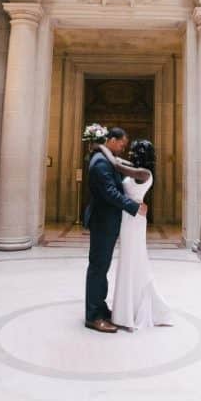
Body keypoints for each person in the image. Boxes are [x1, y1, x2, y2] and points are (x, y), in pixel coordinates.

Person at [84, 127, 148, 333]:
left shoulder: (105, 159)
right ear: (111, 140)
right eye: (122, 143)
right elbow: (110, 193)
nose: (123, 147)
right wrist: (134, 207)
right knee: (98, 269)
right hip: (102, 222)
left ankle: (100, 308)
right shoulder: (100, 162)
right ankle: (93, 317)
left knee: (102, 268)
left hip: (107, 222)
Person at [110, 139, 174, 331]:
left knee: (133, 259)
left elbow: (121, 167)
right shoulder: (138, 170)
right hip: (128, 216)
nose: (130, 153)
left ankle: (132, 310)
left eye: (134, 151)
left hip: (135, 219)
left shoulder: (144, 174)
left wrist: (106, 152)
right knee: (127, 259)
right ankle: (125, 308)